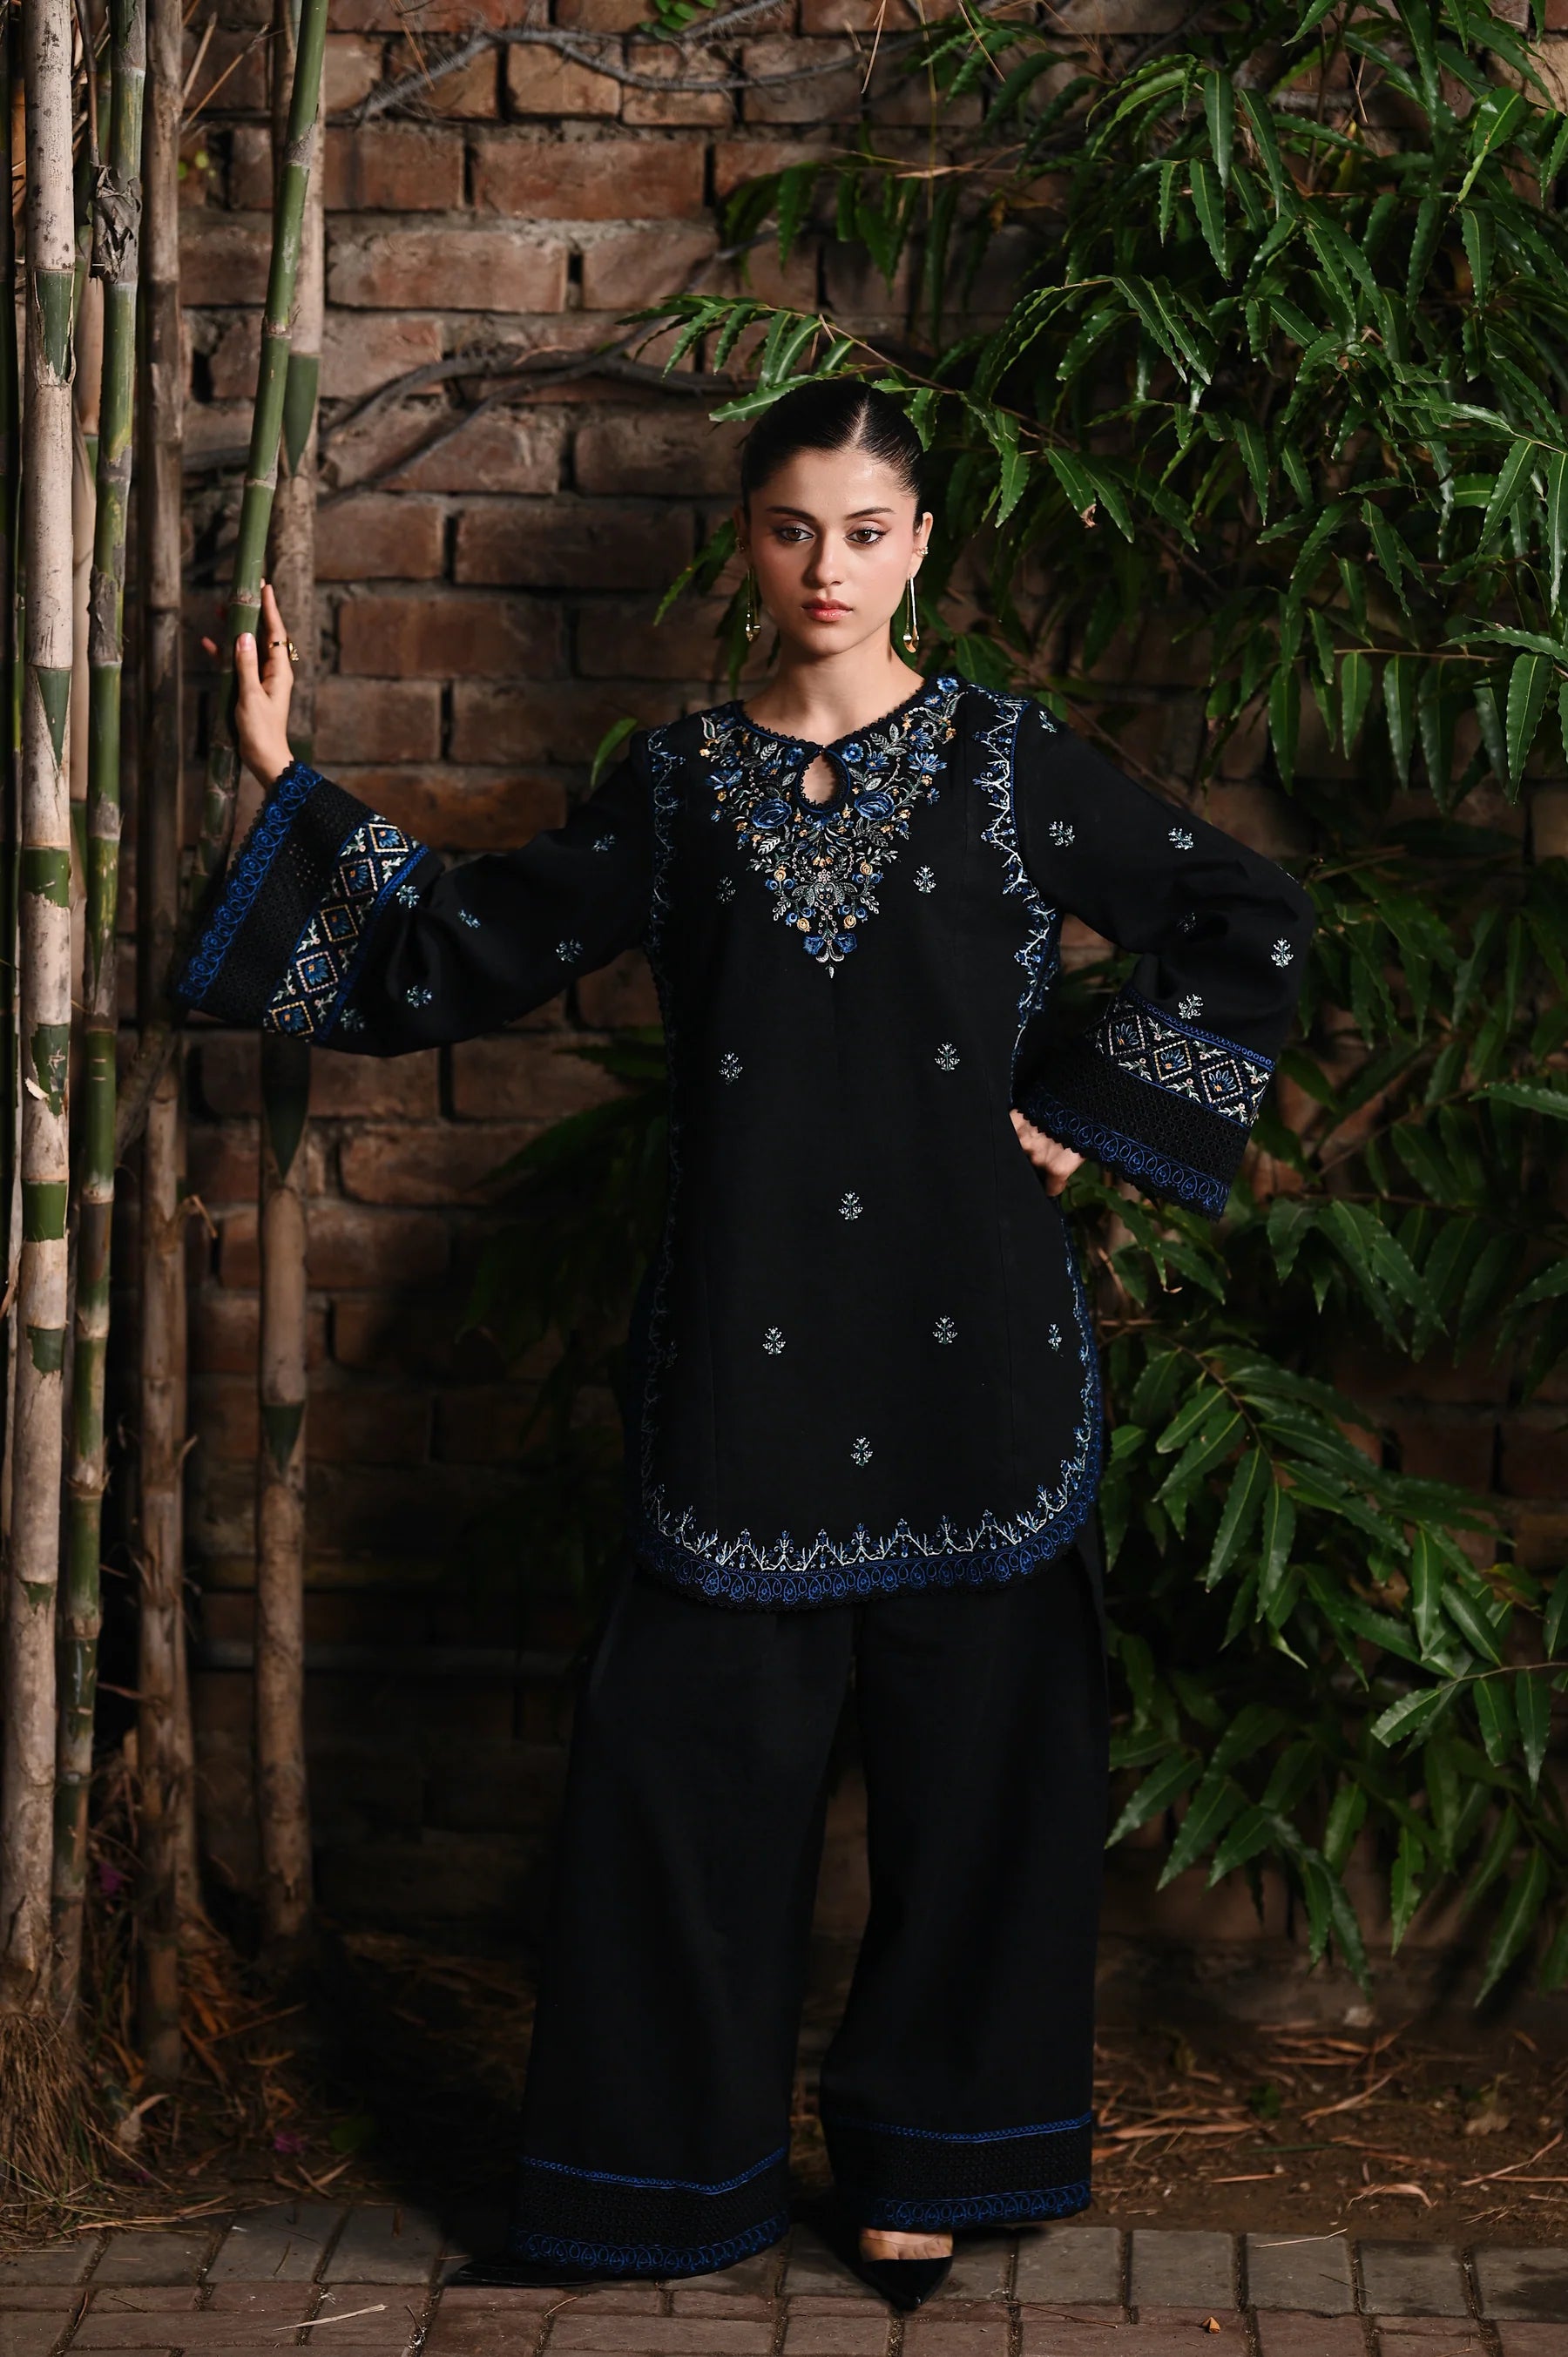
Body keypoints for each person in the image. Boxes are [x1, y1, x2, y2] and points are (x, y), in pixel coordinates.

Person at [183, 380, 1313, 2310]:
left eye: (866, 533)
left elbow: (1244, 915)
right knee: (682, 1772)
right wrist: (291, 785)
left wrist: (1088, 1111)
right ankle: (655, 2181)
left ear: (922, 547)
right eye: (794, 530)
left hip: (972, 1353)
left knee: (979, 1775)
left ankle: (929, 2165)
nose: (828, 569)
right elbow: (476, 937)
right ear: (749, 544)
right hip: (746, 1346)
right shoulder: (681, 782)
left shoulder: (1010, 763)